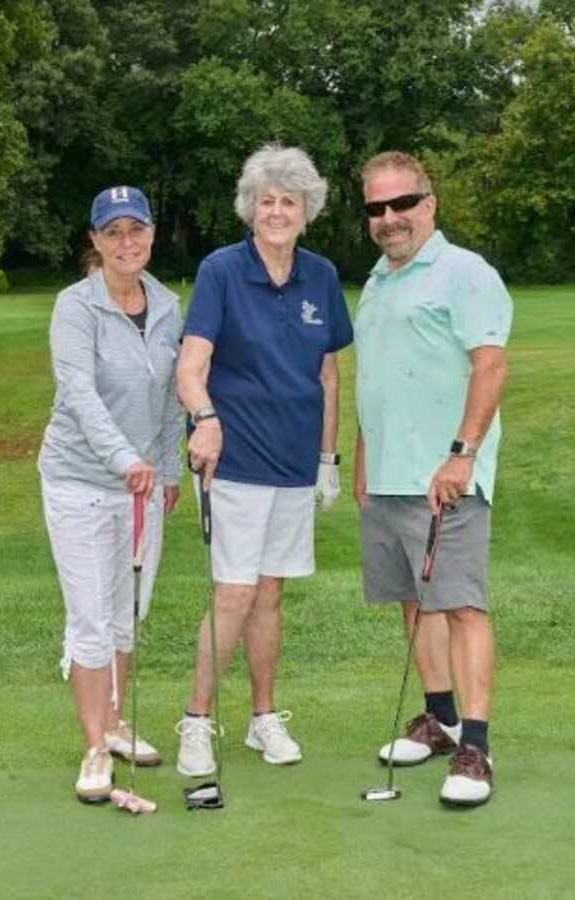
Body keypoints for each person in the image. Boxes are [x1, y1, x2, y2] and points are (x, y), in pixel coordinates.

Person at [174, 144, 353, 776]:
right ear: (251, 208)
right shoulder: (221, 270)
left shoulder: (321, 276)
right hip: (234, 462)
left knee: (271, 592)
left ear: (307, 211)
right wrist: (206, 419)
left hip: (294, 465)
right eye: (267, 201)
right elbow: (190, 367)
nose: (277, 212)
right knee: (234, 593)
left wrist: (327, 459)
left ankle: (263, 717)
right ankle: (197, 721)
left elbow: (327, 376)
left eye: (290, 202)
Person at [353, 151, 513, 807]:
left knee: (462, 605)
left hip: (445, 477)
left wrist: (461, 454)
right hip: (388, 475)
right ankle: (440, 719)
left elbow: (491, 367)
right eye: (376, 207)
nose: (389, 217)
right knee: (414, 600)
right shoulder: (376, 281)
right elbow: (377, 378)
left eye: (402, 203)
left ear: (430, 203)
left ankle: (476, 746)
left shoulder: (464, 273)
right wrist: (364, 459)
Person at [38, 185, 184, 804]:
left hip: (143, 487)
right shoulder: (75, 307)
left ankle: (118, 723)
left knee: (128, 612)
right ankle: (95, 744)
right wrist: (126, 459)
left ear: (151, 233)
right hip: (79, 482)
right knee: (92, 618)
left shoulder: (169, 306)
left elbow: (173, 397)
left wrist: (168, 470)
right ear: (95, 241)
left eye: (136, 229)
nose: (127, 242)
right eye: (113, 232)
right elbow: (79, 395)